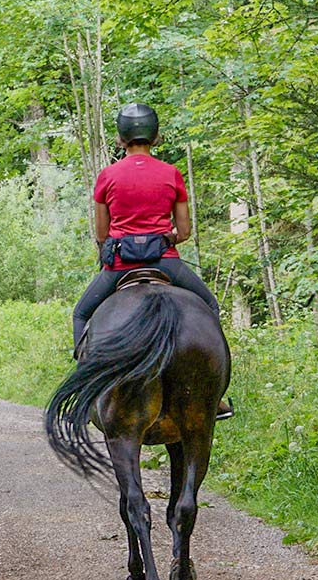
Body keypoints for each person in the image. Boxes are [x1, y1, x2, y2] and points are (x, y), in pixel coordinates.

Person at [72, 102, 232, 417]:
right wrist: (166, 238)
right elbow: (184, 230)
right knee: (209, 307)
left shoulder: (108, 175)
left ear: (120, 138)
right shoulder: (171, 173)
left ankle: (86, 387)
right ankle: (214, 398)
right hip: (164, 262)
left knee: (81, 313)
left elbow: (102, 233)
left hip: (119, 266)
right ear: (155, 136)